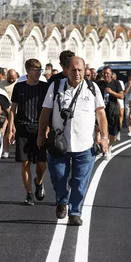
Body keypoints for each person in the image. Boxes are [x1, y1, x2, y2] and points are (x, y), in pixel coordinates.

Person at [37, 56, 108, 226]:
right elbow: (45, 112)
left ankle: (75, 212)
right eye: (74, 70)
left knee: (80, 181)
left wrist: (104, 137)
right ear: (66, 70)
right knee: (58, 176)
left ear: (85, 71)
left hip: (85, 144)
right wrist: (41, 134)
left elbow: (101, 114)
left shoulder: (92, 88)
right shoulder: (56, 86)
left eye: (80, 70)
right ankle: (62, 201)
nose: (77, 73)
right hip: (59, 144)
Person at [8, 59, 48, 206]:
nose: (38, 73)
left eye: (40, 70)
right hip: (23, 128)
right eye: (35, 70)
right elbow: (13, 108)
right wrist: (11, 127)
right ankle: (29, 193)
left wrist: (47, 127)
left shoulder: (45, 87)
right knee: (25, 162)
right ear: (28, 71)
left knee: (41, 162)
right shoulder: (19, 87)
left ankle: (39, 181)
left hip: (39, 128)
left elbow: (48, 109)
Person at [96, 67, 124, 159]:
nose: (106, 75)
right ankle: (104, 148)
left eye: (108, 73)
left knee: (113, 133)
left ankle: (109, 147)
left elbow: (121, 96)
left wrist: (111, 92)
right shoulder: (99, 84)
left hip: (113, 110)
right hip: (102, 111)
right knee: (102, 130)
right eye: (104, 73)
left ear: (111, 74)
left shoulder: (116, 83)